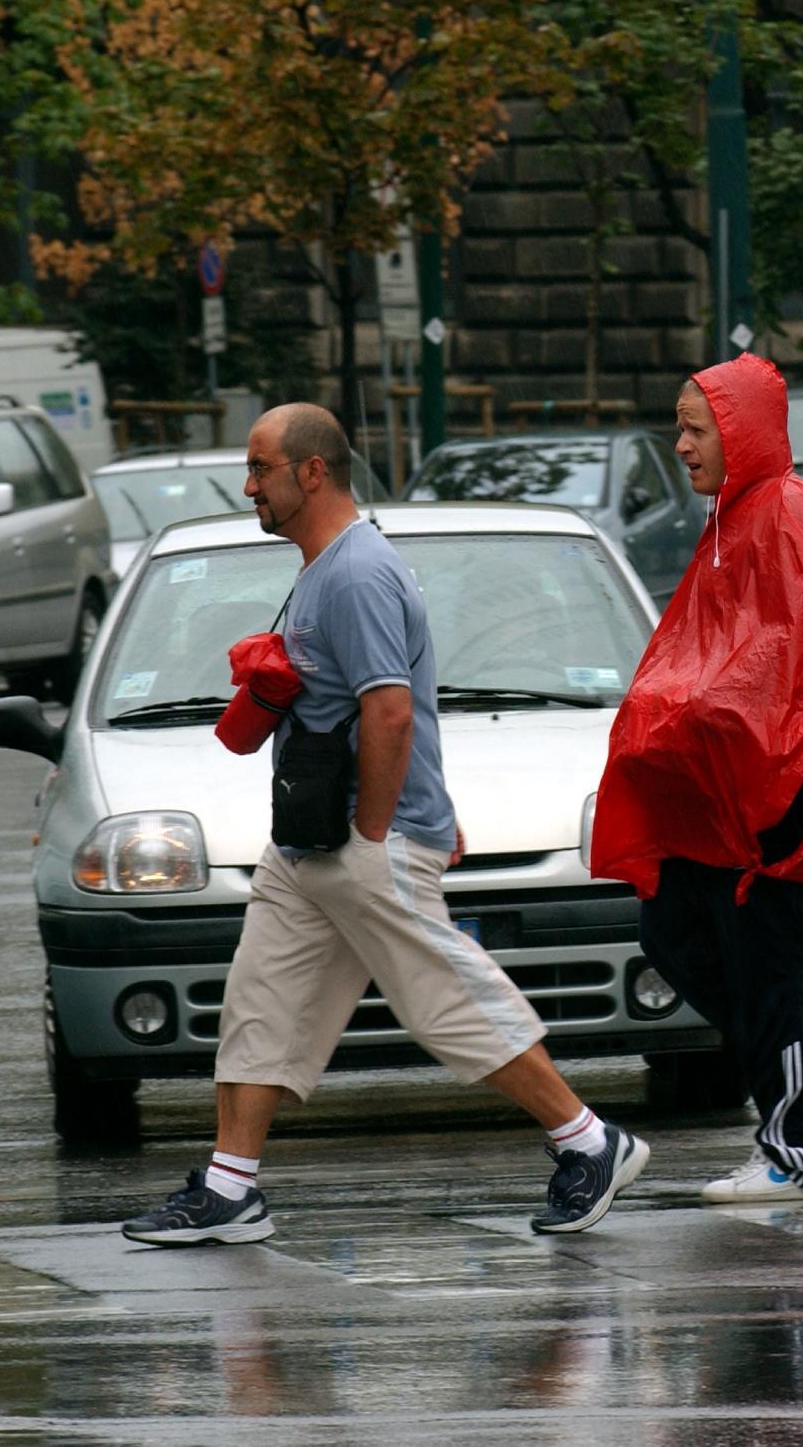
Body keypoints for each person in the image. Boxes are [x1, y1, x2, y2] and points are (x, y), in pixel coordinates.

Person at [122, 404, 647, 1245]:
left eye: (260, 468)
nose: (248, 484)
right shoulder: (325, 565)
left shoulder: (359, 572)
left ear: (312, 472)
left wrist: (375, 834)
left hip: (365, 837)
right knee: (261, 1001)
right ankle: (230, 1188)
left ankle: (589, 1141)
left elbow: (393, 711)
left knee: (442, 998)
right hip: (309, 842)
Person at [591, 353, 803, 1203]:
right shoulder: (733, 518)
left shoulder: (784, 512)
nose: (681, 443)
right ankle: (799, 1089)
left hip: (771, 776)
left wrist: (702, 704)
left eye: (696, 427)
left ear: (739, 433)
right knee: (673, 933)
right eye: (680, 425)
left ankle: (792, 1149)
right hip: (727, 775)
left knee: (767, 955)